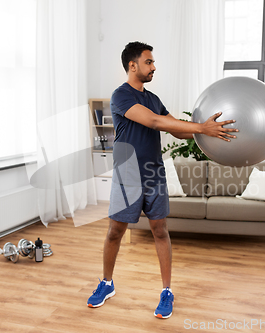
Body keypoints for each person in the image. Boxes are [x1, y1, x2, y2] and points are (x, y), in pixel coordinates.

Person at [87, 41, 238, 319]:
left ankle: (166, 291)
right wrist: (201, 128)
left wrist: (209, 129)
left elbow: (178, 132)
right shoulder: (120, 96)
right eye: (149, 62)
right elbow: (155, 123)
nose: (154, 67)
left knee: (160, 231)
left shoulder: (154, 99)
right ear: (132, 65)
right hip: (128, 175)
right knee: (115, 232)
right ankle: (106, 283)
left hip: (154, 173)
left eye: (153, 62)